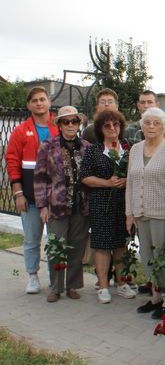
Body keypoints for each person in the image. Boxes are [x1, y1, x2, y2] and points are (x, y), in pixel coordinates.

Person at [126, 108, 165, 319]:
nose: (151, 127)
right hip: (141, 213)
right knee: (148, 256)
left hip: (163, 214)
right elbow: (130, 183)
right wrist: (129, 213)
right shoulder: (135, 149)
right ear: (142, 126)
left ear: (163, 126)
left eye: (156, 123)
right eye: (147, 123)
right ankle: (155, 296)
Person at [5, 86, 59, 294]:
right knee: (31, 239)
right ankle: (33, 276)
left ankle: (56, 278)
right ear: (28, 105)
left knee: (57, 240)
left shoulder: (59, 127)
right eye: (34, 100)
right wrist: (18, 193)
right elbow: (12, 161)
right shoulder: (20, 131)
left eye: (42, 99)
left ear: (49, 102)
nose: (39, 103)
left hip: (56, 197)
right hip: (30, 195)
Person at [33, 106, 89, 302]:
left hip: (80, 206)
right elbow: (40, 178)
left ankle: (72, 285)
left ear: (79, 124)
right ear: (59, 124)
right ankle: (56, 287)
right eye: (66, 121)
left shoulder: (86, 147)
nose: (71, 125)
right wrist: (42, 206)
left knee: (77, 247)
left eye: (74, 121)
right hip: (56, 205)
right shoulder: (47, 145)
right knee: (57, 246)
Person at [80, 109, 137, 303]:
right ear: (100, 129)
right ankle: (103, 286)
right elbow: (85, 177)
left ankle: (121, 283)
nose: (112, 128)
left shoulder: (129, 148)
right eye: (107, 125)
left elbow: (139, 173)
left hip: (124, 203)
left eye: (116, 124)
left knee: (121, 244)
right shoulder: (93, 150)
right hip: (101, 202)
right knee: (102, 245)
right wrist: (107, 183)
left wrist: (127, 180)